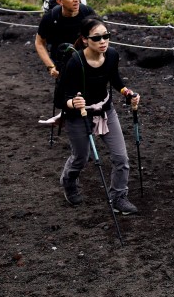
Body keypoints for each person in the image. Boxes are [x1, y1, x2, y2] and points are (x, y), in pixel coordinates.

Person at [59, 16, 141, 215]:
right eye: (97, 38)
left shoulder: (112, 55)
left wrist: (127, 93)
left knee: (121, 158)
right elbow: (63, 97)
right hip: (78, 115)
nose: (103, 41)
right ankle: (68, 182)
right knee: (81, 158)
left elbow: (115, 80)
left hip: (105, 110)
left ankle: (119, 197)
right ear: (85, 39)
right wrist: (73, 102)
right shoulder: (75, 62)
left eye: (106, 36)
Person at [35, 0, 96, 124]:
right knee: (67, 95)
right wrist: (50, 66)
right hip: (61, 62)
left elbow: (100, 37)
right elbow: (39, 43)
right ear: (59, 1)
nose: (77, 0)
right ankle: (71, 119)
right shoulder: (51, 18)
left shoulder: (87, 13)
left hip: (86, 58)